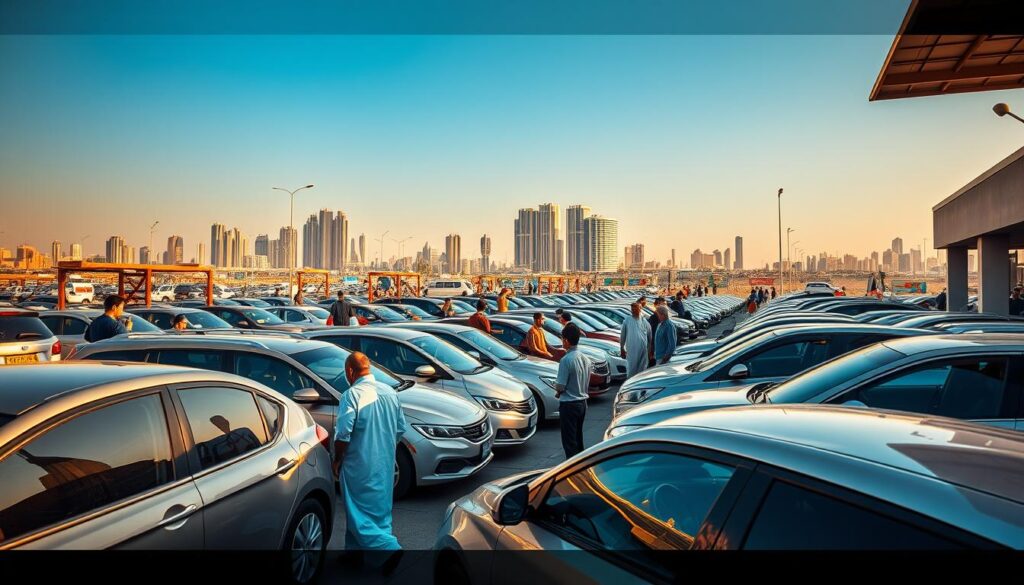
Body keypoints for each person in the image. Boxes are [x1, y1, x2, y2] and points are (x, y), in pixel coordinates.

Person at [333, 352, 407, 574]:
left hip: (359, 464)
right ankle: (354, 553)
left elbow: (343, 434)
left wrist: (338, 460)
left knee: (356, 509)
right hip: (383, 462)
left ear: (350, 371)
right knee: (379, 510)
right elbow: (400, 428)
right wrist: (384, 446)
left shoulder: (351, 395)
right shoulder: (389, 392)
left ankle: (388, 548)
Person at [555, 323, 590, 460]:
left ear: (567, 341)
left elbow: (560, 386)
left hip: (569, 405)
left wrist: (557, 390)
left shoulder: (566, 360)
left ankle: (572, 470)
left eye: (562, 339)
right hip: (582, 403)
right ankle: (582, 465)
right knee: (578, 438)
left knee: (569, 443)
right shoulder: (585, 358)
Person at [619, 302, 651, 378]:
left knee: (642, 370)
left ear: (640, 309)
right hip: (632, 350)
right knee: (631, 369)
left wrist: (650, 350)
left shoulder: (644, 321)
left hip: (643, 351)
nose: (634, 311)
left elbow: (650, 336)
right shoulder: (627, 320)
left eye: (636, 309)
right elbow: (623, 335)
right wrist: (622, 348)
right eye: (632, 309)